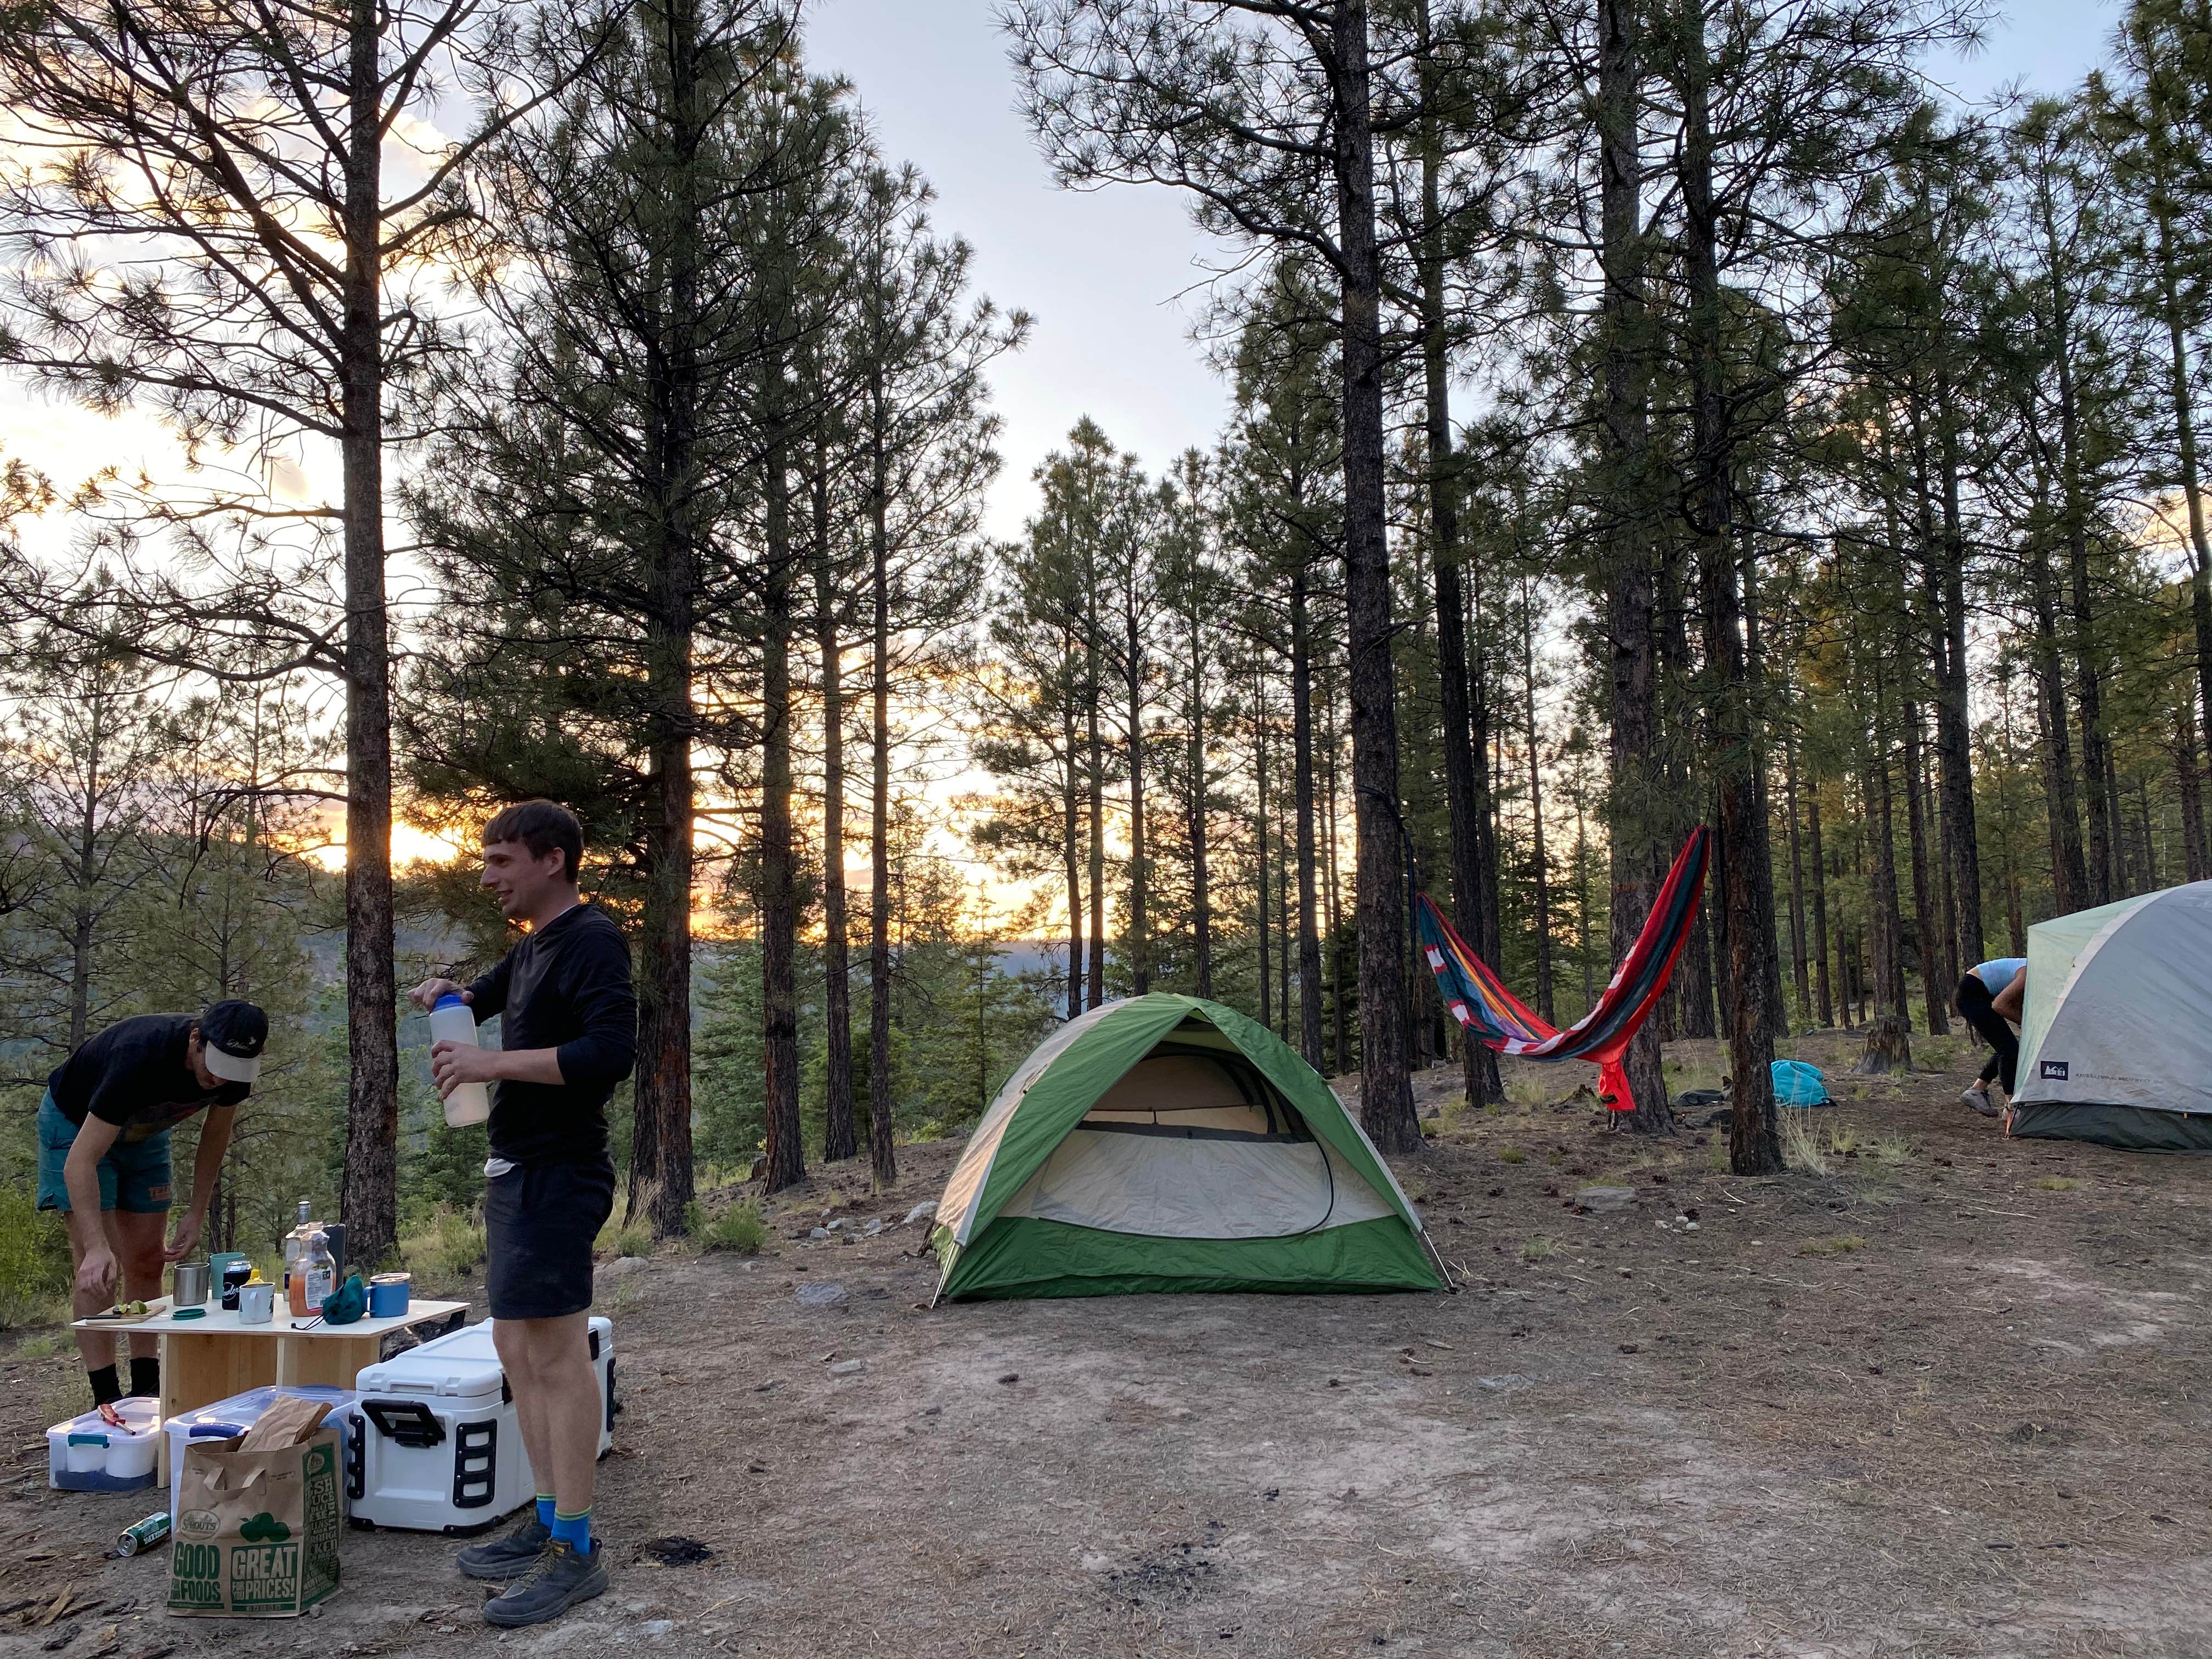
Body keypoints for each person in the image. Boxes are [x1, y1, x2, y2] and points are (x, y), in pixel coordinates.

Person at [410, 799, 634, 1629]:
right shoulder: (533, 946)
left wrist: (487, 1060)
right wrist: (452, 993)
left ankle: (575, 1552)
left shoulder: (593, 940)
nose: (487, 875)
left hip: (559, 1170)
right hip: (515, 1167)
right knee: (515, 1345)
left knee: (555, 1354)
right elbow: (487, 991)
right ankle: (545, 1520)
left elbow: (610, 1053)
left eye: (501, 861)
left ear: (550, 860)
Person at [38, 1001, 268, 1410]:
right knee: (100, 1271)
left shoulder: (235, 1070)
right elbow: (81, 1161)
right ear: (196, 1038)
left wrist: (196, 1213)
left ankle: (145, 1387)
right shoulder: (139, 1057)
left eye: (231, 1070)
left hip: (144, 1133)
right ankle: (106, 1397)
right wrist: (95, 1245)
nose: (218, 1079)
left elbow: (214, 1139)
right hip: (77, 1126)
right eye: (212, 1065)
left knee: (147, 1259)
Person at [1956, 956, 2027, 1118]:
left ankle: (1977, 1090)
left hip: (1978, 993)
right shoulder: (2027, 972)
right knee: (2009, 1050)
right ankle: (2011, 1109)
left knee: (2007, 1046)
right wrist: (2025, 1023)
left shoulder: (2028, 970)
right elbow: (1999, 1004)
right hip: (1971, 994)